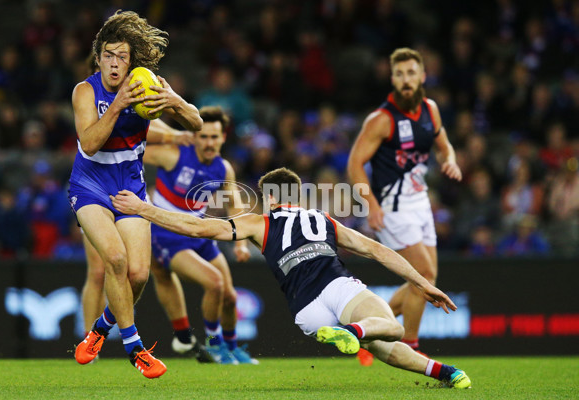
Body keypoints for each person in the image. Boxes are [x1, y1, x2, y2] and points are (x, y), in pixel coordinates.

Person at [110, 167, 471, 389]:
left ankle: (445, 372)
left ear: (268, 198)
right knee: (390, 329)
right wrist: (423, 283)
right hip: (337, 287)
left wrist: (144, 209)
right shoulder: (324, 220)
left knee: (383, 349)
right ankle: (355, 332)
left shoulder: (258, 223)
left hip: (306, 312)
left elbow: (200, 227)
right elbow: (378, 250)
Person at [70, 10, 202, 379]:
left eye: (122, 57)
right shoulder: (85, 91)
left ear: (132, 60)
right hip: (90, 185)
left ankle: (100, 329)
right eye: (108, 56)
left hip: (129, 186)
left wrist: (174, 100)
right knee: (113, 259)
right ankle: (135, 347)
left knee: (139, 274)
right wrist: (118, 103)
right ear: (98, 58)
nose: (115, 64)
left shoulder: (146, 86)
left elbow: (196, 124)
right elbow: (90, 143)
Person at [347, 48, 462, 360]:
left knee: (427, 280)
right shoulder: (381, 119)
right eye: (400, 74)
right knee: (421, 275)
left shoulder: (430, 109)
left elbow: (444, 146)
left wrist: (449, 160)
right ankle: (411, 347)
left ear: (422, 76)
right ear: (392, 79)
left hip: (420, 203)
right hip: (392, 207)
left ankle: (367, 329)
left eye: (411, 73)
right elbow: (355, 164)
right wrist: (370, 204)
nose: (406, 80)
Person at [144, 106, 257, 364]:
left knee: (229, 296)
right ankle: (214, 345)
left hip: (200, 231)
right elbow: (131, 151)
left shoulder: (223, 169)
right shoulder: (173, 155)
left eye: (214, 137)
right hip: (167, 235)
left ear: (223, 138)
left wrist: (241, 244)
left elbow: (235, 207)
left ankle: (230, 347)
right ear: (194, 136)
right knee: (214, 282)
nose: (209, 142)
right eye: (203, 136)